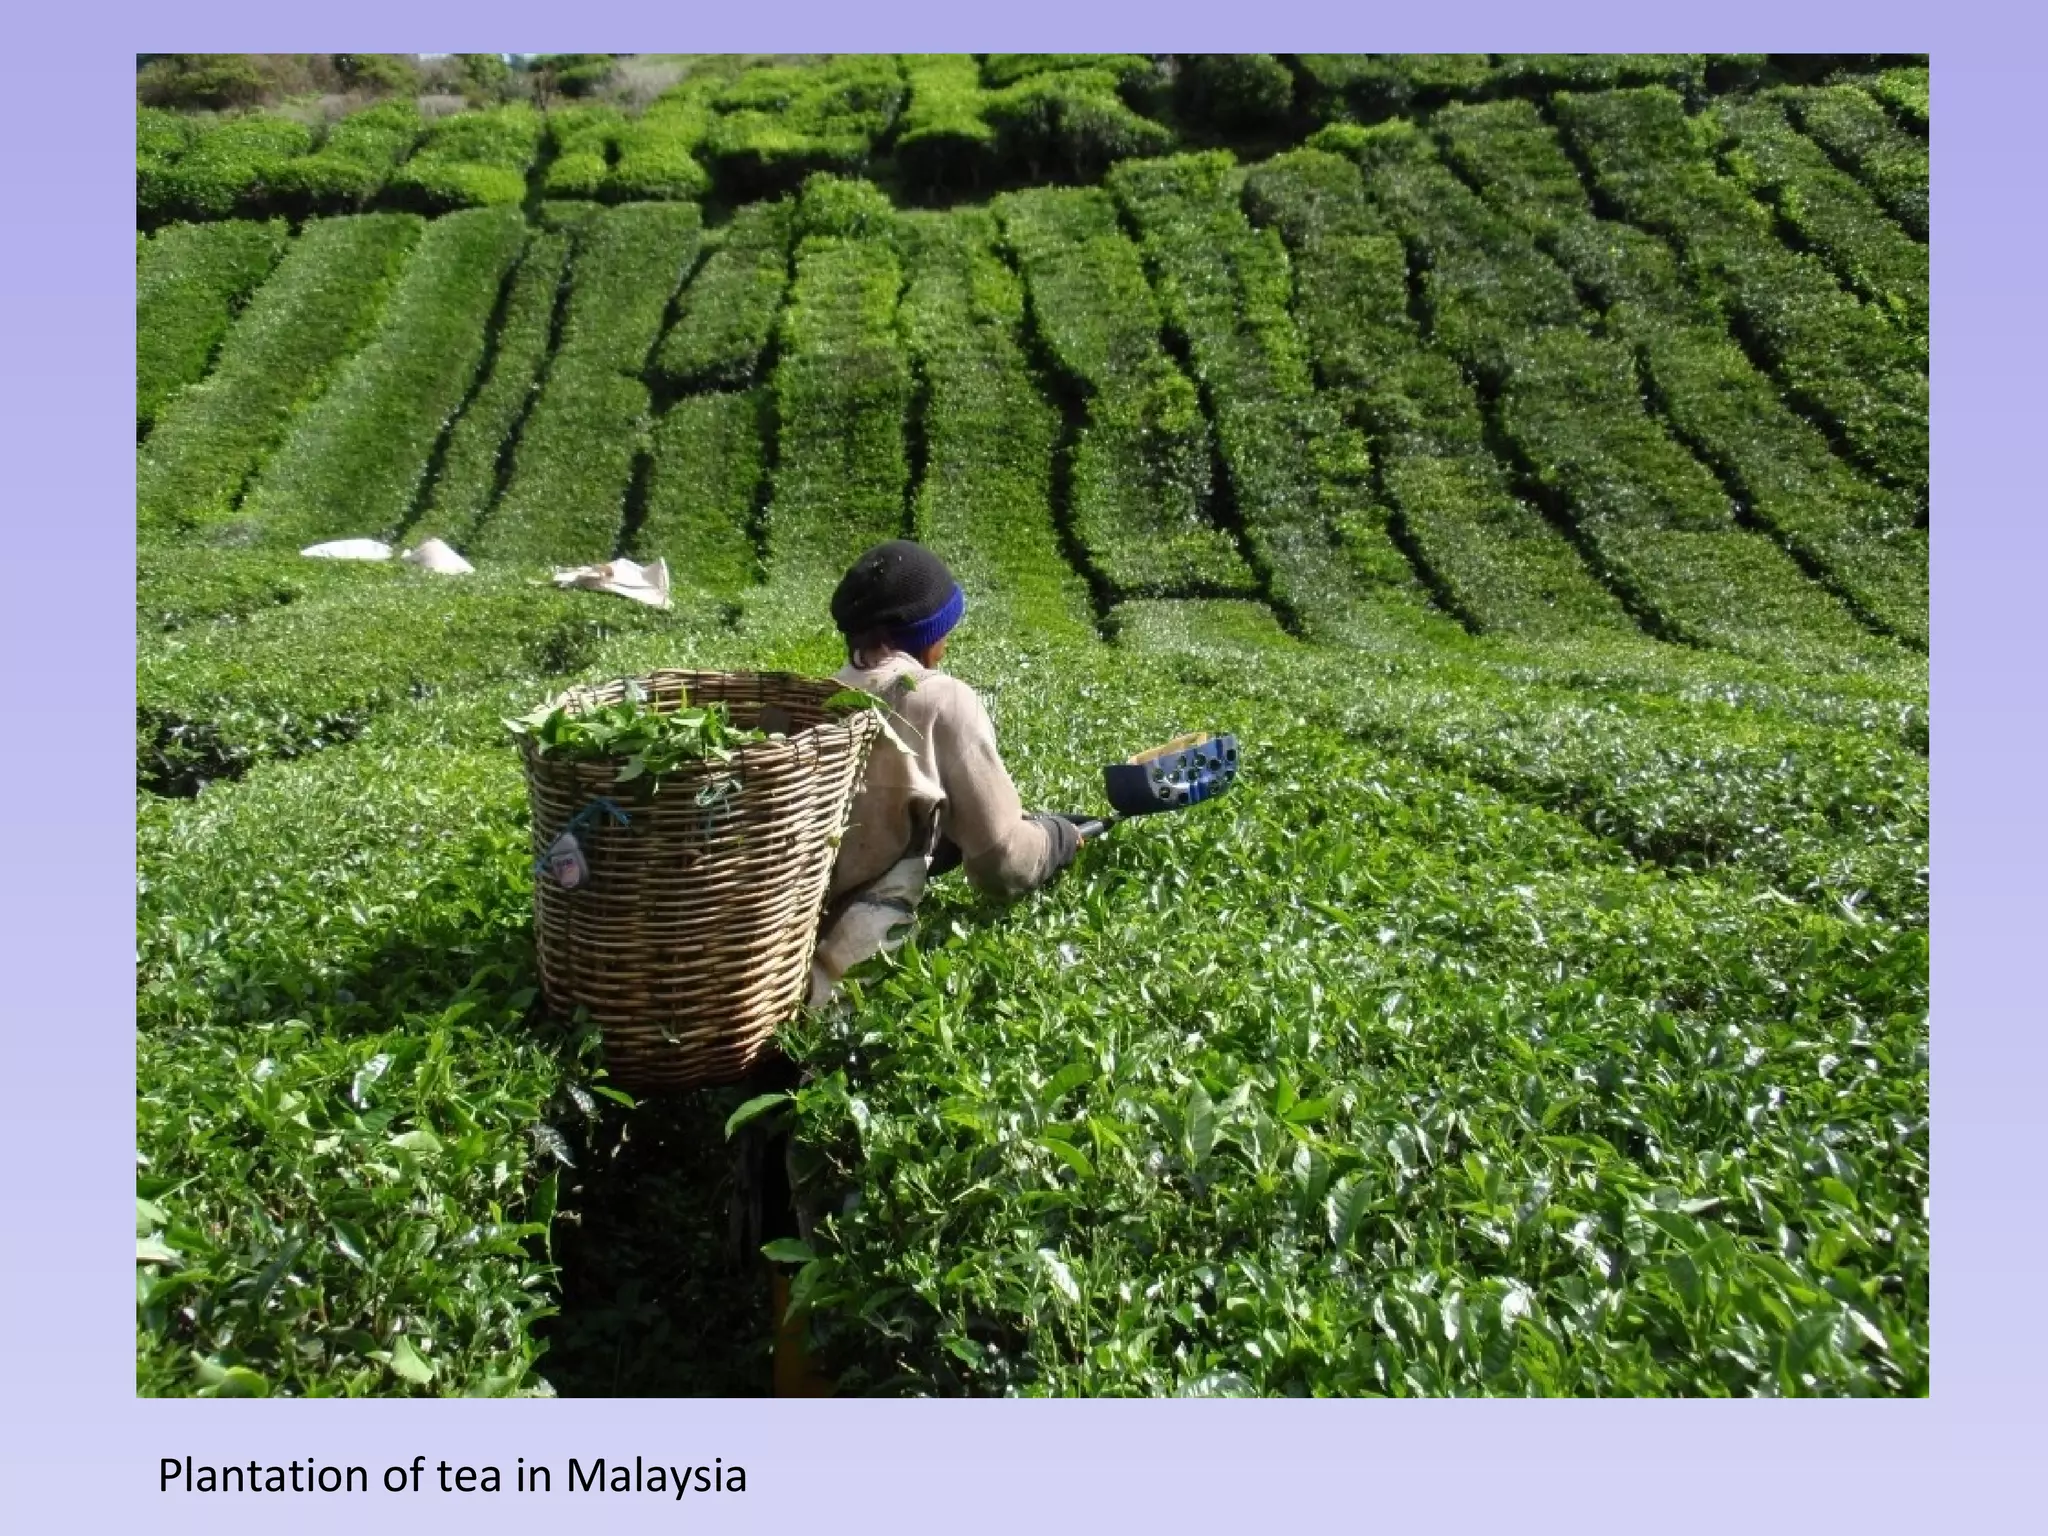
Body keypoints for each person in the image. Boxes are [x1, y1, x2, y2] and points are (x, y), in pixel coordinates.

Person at [805, 538, 1085, 1008]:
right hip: (850, 986)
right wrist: (1056, 836)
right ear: (927, 633)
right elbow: (1004, 866)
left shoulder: (821, 699)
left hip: (783, 962)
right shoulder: (942, 699)